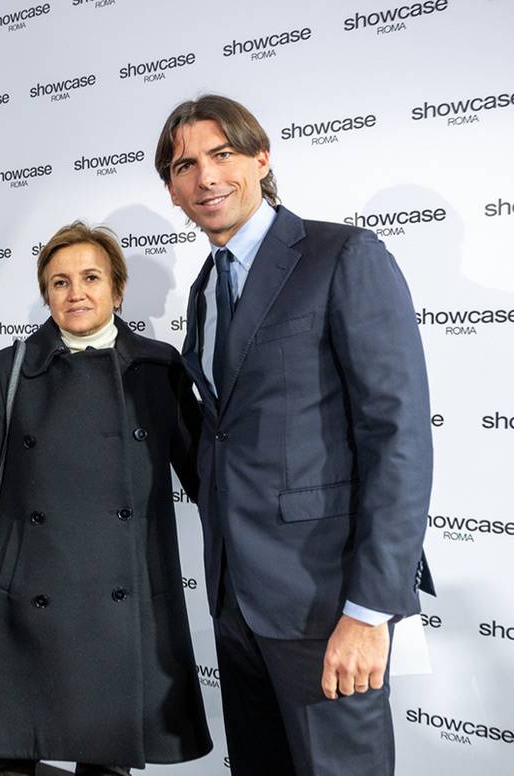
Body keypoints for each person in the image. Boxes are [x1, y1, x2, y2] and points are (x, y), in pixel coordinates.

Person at [153, 94, 434, 776]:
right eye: (186, 165)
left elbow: (396, 435)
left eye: (222, 155)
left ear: (261, 158)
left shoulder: (342, 255)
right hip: (236, 600)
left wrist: (370, 610)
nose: (207, 178)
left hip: (326, 600)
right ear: (172, 188)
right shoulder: (203, 288)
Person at [0, 222, 212, 775]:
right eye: (60, 282)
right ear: (46, 295)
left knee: (105, 758)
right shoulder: (7, 367)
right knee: (7, 757)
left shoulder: (157, 369)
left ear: (118, 288)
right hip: (24, 598)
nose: (76, 293)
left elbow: (207, 473)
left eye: (91, 278)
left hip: (121, 597)